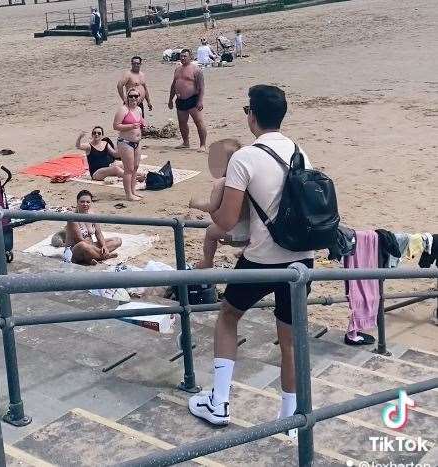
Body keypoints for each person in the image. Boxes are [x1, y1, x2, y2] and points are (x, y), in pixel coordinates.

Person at [188, 85, 315, 437]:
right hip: (301, 262)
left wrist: (213, 231)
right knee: (289, 340)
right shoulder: (300, 151)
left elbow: (227, 220)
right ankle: (290, 418)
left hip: (261, 260)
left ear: (252, 116)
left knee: (228, 316)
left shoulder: (245, 157)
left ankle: (220, 401)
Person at [189, 139, 249, 269]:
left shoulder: (222, 183)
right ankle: (246, 252)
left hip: (234, 232)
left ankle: (207, 261)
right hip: (253, 232)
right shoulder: (248, 180)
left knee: (210, 232)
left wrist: (196, 203)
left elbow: (211, 206)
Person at [61, 190, 122, 265]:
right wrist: (99, 250)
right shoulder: (72, 218)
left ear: (91, 203)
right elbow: (79, 240)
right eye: (82, 202)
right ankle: (103, 256)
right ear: (77, 202)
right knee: (83, 245)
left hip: (91, 246)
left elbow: (98, 233)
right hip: (75, 250)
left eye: (88, 202)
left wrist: (104, 246)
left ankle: (92, 257)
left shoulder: (92, 215)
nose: (85, 204)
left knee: (117, 240)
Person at [168, 49, 207, 151]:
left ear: (190, 57)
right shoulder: (177, 69)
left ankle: (203, 145)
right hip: (180, 100)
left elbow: (202, 87)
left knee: (198, 122)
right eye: (181, 56)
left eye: (185, 56)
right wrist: (170, 99)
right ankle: (186, 142)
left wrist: (200, 101)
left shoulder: (196, 70)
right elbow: (173, 85)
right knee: (182, 122)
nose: (182, 58)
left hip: (193, 99)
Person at [114, 88, 145, 201]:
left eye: (135, 96)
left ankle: (133, 190)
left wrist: (143, 123)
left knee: (135, 168)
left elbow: (140, 120)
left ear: (139, 98)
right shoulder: (123, 110)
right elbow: (116, 126)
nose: (133, 98)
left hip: (137, 142)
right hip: (125, 143)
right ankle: (128, 195)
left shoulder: (139, 109)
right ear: (127, 98)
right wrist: (131, 126)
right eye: (131, 96)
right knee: (129, 169)